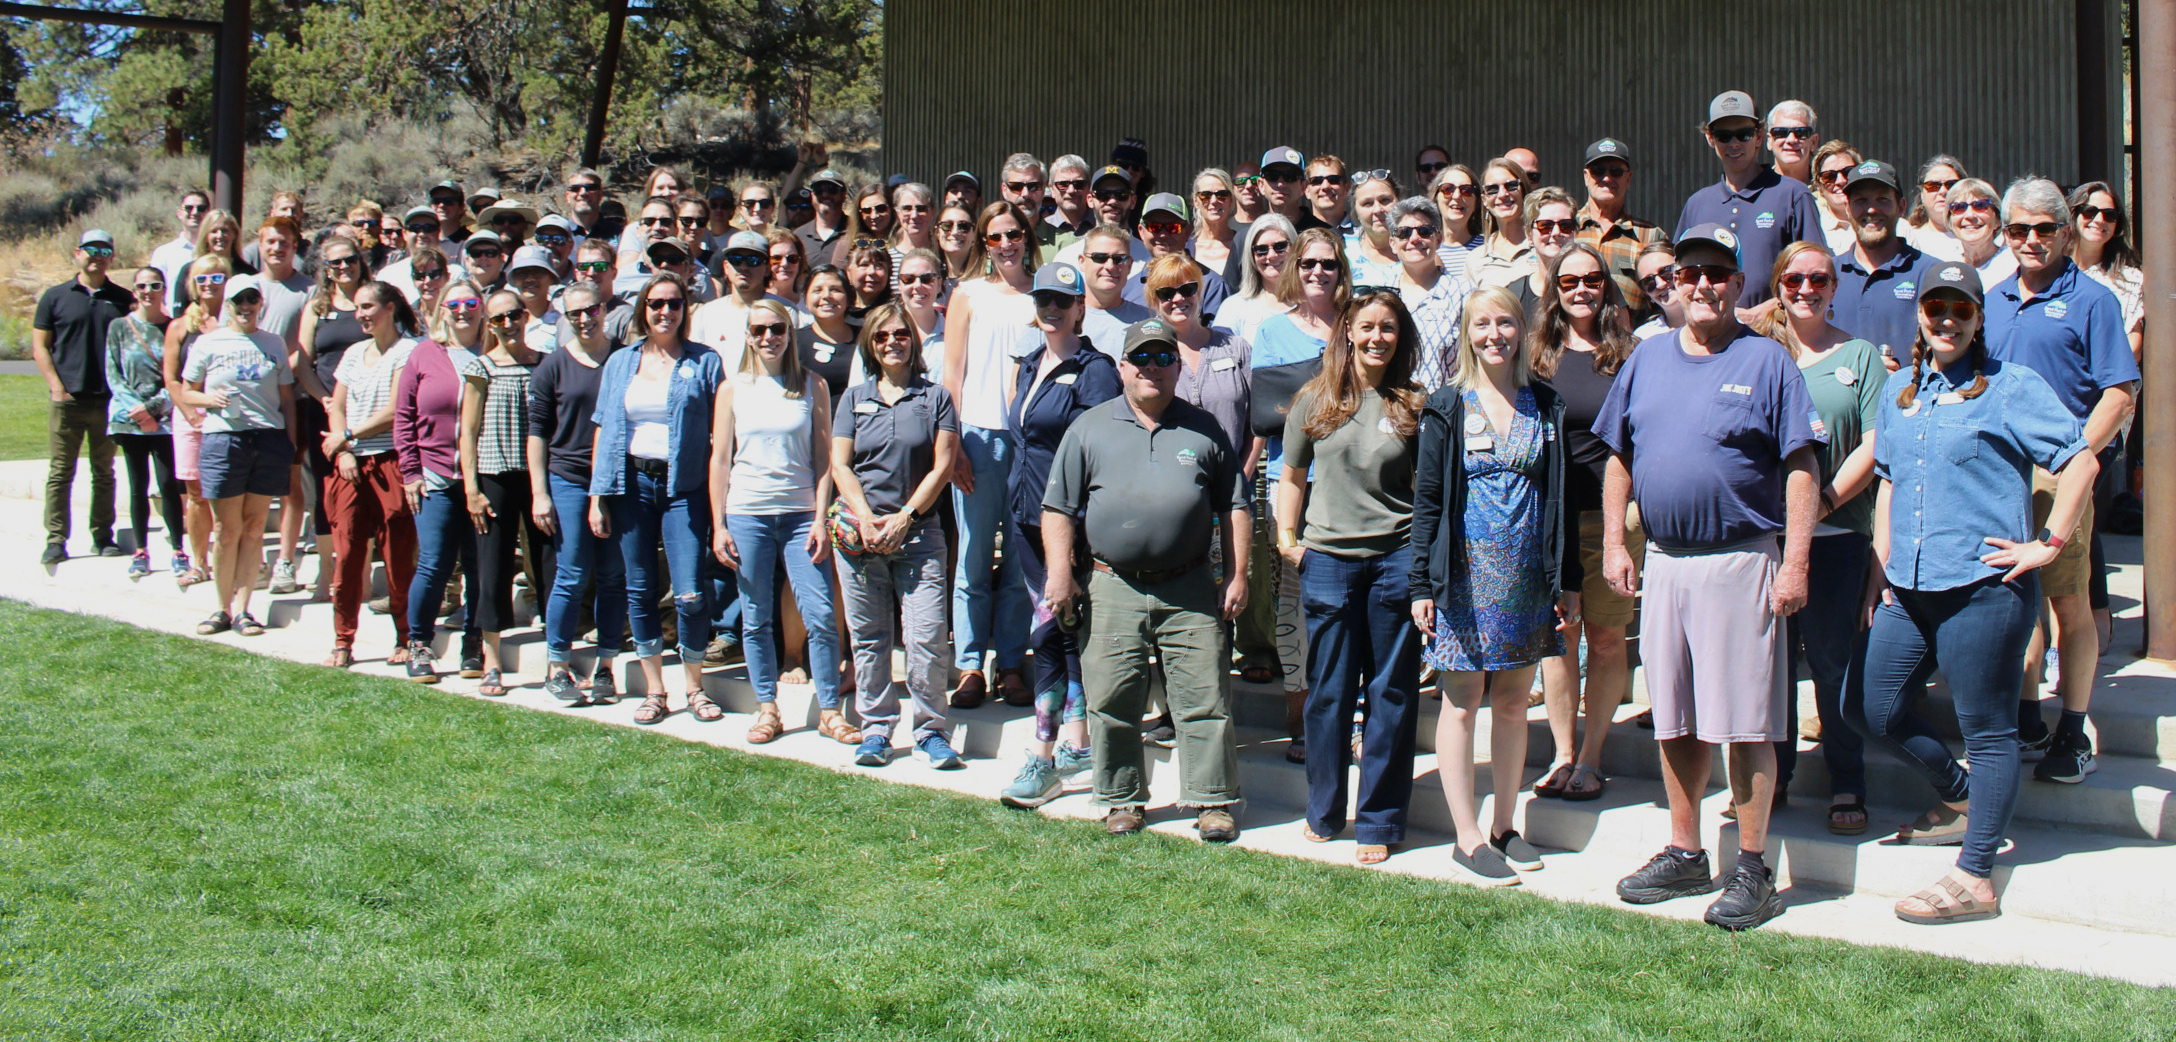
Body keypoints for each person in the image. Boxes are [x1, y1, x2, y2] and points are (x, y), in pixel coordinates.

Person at [1596, 223, 1823, 932]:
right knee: (1676, 717)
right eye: (1690, 272)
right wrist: (1614, 541)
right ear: (1672, 281)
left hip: (1741, 560)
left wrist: (1795, 562)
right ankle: (1686, 849)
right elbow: (1618, 459)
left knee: (1748, 722)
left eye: (1718, 274)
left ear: (1737, 284)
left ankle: (1753, 868)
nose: (1702, 285)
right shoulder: (1647, 358)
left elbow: (1801, 467)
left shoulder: (1768, 361)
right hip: (1665, 560)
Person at [1857, 261, 2095, 925]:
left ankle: (1977, 873)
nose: (1947, 319)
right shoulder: (1900, 391)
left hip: (1984, 588)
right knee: (1871, 709)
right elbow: (1890, 482)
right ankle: (1960, 797)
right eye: (1936, 307)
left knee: (1987, 731)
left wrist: (2046, 543)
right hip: (1909, 586)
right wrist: (1882, 565)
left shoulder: (2011, 388)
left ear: (1978, 318)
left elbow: (2081, 460)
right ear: (1921, 315)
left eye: (1961, 309)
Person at [1043, 319, 1250, 841]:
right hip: (1113, 584)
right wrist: (1061, 574)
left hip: (1190, 586)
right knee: (1113, 698)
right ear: (1122, 368)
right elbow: (1058, 508)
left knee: (1205, 698)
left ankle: (1212, 801)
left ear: (1178, 367)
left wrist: (1239, 574)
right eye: (1142, 359)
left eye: (1163, 358)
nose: (1152, 368)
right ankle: (1121, 799)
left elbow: (1235, 505)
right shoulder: (1089, 427)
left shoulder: (1204, 428)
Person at [1414, 284, 1578, 884]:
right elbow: (1427, 501)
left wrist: (1569, 583)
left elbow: (1563, 499)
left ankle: (1505, 826)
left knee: (1512, 704)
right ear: (1467, 332)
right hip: (1462, 580)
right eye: (1482, 324)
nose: (1494, 335)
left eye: (1505, 323)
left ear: (1522, 330)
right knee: (1461, 704)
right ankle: (1466, 835)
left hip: (1529, 579)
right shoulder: (1447, 406)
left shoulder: (1547, 405)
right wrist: (1421, 585)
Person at [1983, 177, 2138, 783]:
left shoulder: (2093, 301)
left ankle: (2072, 730)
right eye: (2018, 228)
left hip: (2058, 475)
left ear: (2065, 234)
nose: (2030, 240)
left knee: (2068, 602)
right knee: (2016, 599)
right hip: (1996, 475)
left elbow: (2119, 394)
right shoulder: (1990, 298)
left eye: (2044, 229)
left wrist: (2073, 456)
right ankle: (2027, 717)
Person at [1279, 290, 1425, 865]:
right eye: (1366, 327)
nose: (1376, 338)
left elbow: (1428, 491)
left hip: (1395, 561)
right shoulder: (1314, 400)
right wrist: (1290, 543)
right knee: (1329, 692)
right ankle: (1324, 808)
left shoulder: (1415, 404)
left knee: (1390, 692)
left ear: (1400, 336)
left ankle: (1380, 820)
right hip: (1329, 564)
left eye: (1387, 328)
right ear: (1347, 332)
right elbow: (1291, 476)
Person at [1755, 241, 1883, 833]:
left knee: (1833, 664)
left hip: (1836, 536)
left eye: (1819, 280)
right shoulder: (1756, 354)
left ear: (1835, 288)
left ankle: (1847, 779)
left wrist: (1825, 502)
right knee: (1770, 667)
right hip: (1765, 540)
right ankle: (1771, 779)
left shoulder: (1858, 356)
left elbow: (1875, 444)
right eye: (1793, 279)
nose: (1806, 289)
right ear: (1778, 286)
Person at [996, 263, 1122, 806]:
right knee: (1058, 628)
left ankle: (1044, 756)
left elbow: (1098, 452)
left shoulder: (1095, 370)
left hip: (1066, 522)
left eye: (1062, 301)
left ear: (1080, 309)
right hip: (1024, 516)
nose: (1052, 309)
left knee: (1051, 629)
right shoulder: (1028, 365)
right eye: (1044, 299)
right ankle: (1077, 743)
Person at [711, 298, 849, 743]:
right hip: (747, 512)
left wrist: (820, 516)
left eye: (777, 328)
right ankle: (767, 707)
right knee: (755, 616)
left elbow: (824, 458)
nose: (768, 337)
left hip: (800, 515)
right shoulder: (733, 388)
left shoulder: (813, 385)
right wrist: (719, 524)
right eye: (759, 330)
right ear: (747, 336)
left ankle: (829, 709)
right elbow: (719, 460)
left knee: (822, 614)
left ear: (790, 333)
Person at [1529, 243, 1639, 805]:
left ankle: (1593, 756)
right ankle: (1562, 752)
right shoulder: (1537, 356)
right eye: (1568, 280)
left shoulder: (1630, 355)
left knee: (1605, 635)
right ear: (1553, 288)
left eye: (1591, 279)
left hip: (1611, 519)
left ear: (1606, 285)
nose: (1580, 289)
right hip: (1549, 520)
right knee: (1559, 639)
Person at [830, 302, 962, 768]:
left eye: (901, 335)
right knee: (869, 638)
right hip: (861, 539)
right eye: (882, 335)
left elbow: (943, 465)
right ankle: (876, 731)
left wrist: (906, 515)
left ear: (914, 341)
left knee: (926, 638)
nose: (892, 342)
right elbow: (840, 464)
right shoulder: (853, 399)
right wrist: (865, 517)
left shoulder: (935, 398)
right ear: (871, 342)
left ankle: (931, 732)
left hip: (919, 535)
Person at [589, 273, 724, 721]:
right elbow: (604, 428)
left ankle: (695, 687)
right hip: (631, 485)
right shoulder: (620, 363)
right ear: (642, 310)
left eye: (674, 303)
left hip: (684, 486)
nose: (664, 311)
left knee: (688, 592)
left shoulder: (705, 362)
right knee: (640, 587)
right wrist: (597, 496)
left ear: (686, 310)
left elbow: (721, 435)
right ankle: (654, 689)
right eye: (655, 303)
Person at [940, 202, 1039, 708]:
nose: (1006, 244)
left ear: (1027, 236)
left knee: (1022, 560)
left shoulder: (1044, 292)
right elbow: (951, 374)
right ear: (984, 242)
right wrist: (952, 442)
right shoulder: (968, 294)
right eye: (996, 236)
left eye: (1014, 233)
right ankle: (970, 665)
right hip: (977, 436)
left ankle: (1013, 664)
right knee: (975, 556)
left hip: (1026, 440)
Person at [179, 274, 298, 638]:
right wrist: (207, 400)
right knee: (225, 529)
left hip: (267, 438)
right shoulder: (208, 343)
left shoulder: (273, 343)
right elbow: (186, 392)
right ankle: (221, 608)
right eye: (238, 301)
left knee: (253, 527)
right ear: (227, 304)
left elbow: (287, 398)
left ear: (260, 303)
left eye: (252, 300)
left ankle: (245, 610)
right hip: (223, 439)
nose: (246, 307)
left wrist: (290, 444)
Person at [527, 281, 628, 703]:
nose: (585, 320)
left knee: (612, 575)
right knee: (570, 573)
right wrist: (540, 492)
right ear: (565, 319)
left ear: (604, 308)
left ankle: (606, 665)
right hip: (568, 477)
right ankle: (558, 664)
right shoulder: (552, 366)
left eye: (591, 310)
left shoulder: (626, 358)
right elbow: (537, 433)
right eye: (575, 314)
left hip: (617, 480)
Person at [394, 279, 491, 683]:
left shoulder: (491, 352)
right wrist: (410, 472)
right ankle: (419, 643)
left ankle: (473, 641)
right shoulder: (424, 354)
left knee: (478, 564)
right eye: (453, 305)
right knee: (434, 562)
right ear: (441, 311)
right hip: (435, 476)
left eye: (470, 302)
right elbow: (403, 418)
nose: (462, 310)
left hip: (483, 477)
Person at [320, 280, 418, 669]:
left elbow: (396, 410)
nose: (361, 314)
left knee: (397, 556)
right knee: (347, 556)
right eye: (357, 308)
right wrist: (344, 449)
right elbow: (337, 403)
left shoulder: (408, 351)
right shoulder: (353, 352)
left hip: (390, 462)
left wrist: (347, 437)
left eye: (368, 307)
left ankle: (407, 635)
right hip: (349, 465)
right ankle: (343, 641)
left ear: (390, 308)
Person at [455, 289, 545, 697]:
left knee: (548, 561)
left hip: (537, 476)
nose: (507, 325)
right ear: (489, 325)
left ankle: (556, 654)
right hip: (495, 473)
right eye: (498, 319)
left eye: (513, 316)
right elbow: (468, 431)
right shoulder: (481, 367)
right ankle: (492, 659)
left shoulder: (543, 364)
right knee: (493, 568)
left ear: (525, 316)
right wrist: (471, 487)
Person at [32, 228, 133, 564]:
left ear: (112, 257)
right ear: (78, 253)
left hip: (107, 401)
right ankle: (56, 540)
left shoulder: (122, 299)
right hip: (68, 401)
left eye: (104, 249)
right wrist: (56, 388)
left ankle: (103, 536)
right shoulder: (56, 297)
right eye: (91, 249)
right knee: (61, 472)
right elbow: (40, 346)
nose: (97, 255)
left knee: (104, 471)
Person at [1675, 91, 1822, 308]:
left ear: (1759, 137)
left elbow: (1817, 272)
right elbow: (1678, 274)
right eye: (1723, 136)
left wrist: (1765, 311)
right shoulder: (1697, 203)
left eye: (1744, 134)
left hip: (1774, 334)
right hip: (1710, 335)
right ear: (1710, 138)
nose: (1734, 144)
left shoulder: (1793, 194)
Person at [250, 216, 319, 597]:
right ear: (260, 245)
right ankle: (255, 558)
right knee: (253, 483)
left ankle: (286, 562)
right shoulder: (246, 288)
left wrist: (276, 374)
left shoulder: (307, 290)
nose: (277, 248)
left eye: (285, 242)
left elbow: (304, 348)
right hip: (249, 403)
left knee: (291, 482)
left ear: (296, 246)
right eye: (271, 242)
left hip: (292, 397)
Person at [104, 267, 183, 580]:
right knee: (137, 486)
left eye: (155, 285)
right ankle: (140, 550)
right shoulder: (118, 327)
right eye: (141, 286)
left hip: (164, 418)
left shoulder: (173, 328)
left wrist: (153, 409)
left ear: (164, 289)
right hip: (129, 419)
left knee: (167, 484)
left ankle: (178, 548)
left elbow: (177, 374)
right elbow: (113, 373)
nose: (148, 291)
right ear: (134, 291)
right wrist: (137, 410)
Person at [1829, 160, 1939, 364]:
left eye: (1882, 199)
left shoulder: (1930, 274)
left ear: (1901, 207)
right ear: (1847, 207)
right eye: (1861, 200)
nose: (1871, 209)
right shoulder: (1825, 276)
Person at [163, 254, 230, 586]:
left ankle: (230, 559)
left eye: (216, 278)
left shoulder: (235, 322)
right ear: (192, 284)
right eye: (202, 279)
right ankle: (199, 562)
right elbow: (172, 378)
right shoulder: (179, 326)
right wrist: (190, 413)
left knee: (229, 492)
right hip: (191, 418)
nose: (208, 285)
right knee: (196, 493)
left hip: (227, 414)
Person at [1384, 197, 1474, 394]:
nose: (1414, 239)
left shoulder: (1465, 294)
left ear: (1438, 239)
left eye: (1424, 231)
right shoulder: (1382, 293)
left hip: (1444, 412)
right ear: (1393, 243)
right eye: (1404, 233)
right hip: (1390, 409)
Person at [1574, 138, 1665, 296]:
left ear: (1628, 178)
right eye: (1598, 171)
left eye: (1615, 171)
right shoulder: (1565, 229)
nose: (1607, 178)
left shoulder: (1650, 236)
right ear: (1586, 177)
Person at [2068, 180, 2144, 360]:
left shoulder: (2129, 280)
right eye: (2090, 212)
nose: (2099, 220)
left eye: (2109, 215)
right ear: (2074, 214)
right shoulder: (2051, 272)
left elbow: (2134, 343)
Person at [1126, 194, 1233, 317]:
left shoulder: (1212, 285)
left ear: (1187, 232)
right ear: (1141, 231)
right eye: (1154, 227)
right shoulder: (1126, 289)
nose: (1163, 235)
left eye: (1173, 228)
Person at [1214, 216, 1295, 343]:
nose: (1272, 255)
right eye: (1261, 249)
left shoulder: (1316, 304)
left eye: (1280, 246)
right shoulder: (1232, 308)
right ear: (1251, 256)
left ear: (1295, 248)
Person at [1075, 225, 1152, 352]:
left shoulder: (1148, 321)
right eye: (1100, 257)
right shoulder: (1064, 318)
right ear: (1082, 262)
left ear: (1130, 265)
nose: (1110, 266)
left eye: (1119, 259)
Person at [1465, 158, 1533, 289]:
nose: (1502, 194)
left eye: (1511, 186)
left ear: (1524, 191)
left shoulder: (1542, 247)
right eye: (1492, 189)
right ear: (1484, 199)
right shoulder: (1475, 260)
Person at [169, 209, 252, 313]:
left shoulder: (247, 273)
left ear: (234, 234)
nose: (220, 235)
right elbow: (179, 314)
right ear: (206, 236)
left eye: (225, 231)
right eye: (214, 231)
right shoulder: (189, 270)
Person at [798, 266, 859, 403]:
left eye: (835, 290)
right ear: (805, 299)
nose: (826, 296)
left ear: (849, 298)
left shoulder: (866, 338)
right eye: (817, 290)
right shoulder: (794, 342)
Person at [1516, 187, 1580, 315]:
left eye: (1565, 225)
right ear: (1529, 234)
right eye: (1545, 226)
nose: (1556, 233)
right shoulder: (1514, 295)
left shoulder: (1595, 285)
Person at [1948, 179, 2017, 290]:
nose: (1970, 215)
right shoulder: (1943, 262)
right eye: (1959, 207)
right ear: (1950, 221)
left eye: (1980, 205)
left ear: (1997, 220)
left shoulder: (2014, 264)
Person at [1343, 171, 1404, 288]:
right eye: (1367, 203)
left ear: (1399, 201)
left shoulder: (1419, 249)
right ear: (1355, 210)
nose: (1377, 209)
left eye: (1385, 200)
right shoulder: (1343, 254)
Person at [1903, 155, 1969, 262]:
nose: (1943, 191)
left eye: (1951, 184)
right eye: (1933, 185)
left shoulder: (1978, 236)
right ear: (1921, 195)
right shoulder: (1908, 238)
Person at [1188, 168, 1243, 288]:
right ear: (1195, 201)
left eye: (1222, 195)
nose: (1214, 201)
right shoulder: (1184, 249)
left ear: (1231, 200)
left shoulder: (1243, 246)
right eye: (1205, 195)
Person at [1430, 165, 1487, 278]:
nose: (1457, 196)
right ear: (1436, 197)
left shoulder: (1488, 247)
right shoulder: (1423, 248)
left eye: (1466, 190)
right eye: (1448, 189)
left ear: (1476, 201)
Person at [150, 188, 210, 291]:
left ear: (208, 213)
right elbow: (154, 290)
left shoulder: (215, 251)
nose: (195, 212)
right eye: (189, 208)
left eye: (201, 208)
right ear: (179, 214)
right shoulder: (163, 254)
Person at [1811, 140, 1864, 254]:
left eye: (1848, 172)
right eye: (1829, 176)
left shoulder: (1896, 227)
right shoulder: (1812, 227)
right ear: (1819, 186)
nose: (1841, 181)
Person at [794, 167, 850, 265]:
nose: (825, 195)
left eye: (832, 190)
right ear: (812, 195)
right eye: (818, 190)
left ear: (844, 195)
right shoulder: (798, 236)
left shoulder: (856, 230)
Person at [1044, 155, 1096, 250]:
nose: (1071, 190)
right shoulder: (1041, 231)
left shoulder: (1104, 227)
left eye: (1078, 184)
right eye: (1063, 185)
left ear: (1089, 187)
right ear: (1052, 189)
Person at [1258, 146, 1317, 230]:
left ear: (1303, 186)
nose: (1280, 184)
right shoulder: (1248, 236)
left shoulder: (1325, 235)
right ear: (1261, 185)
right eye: (1272, 175)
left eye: (1290, 176)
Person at [1765, 100, 1820, 184]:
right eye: (1781, 132)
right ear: (1769, 141)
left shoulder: (1830, 191)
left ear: (1813, 142)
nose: (1791, 140)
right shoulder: (1753, 190)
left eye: (1801, 132)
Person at [1303, 154, 1354, 234]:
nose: (1325, 186)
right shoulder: (1295, 235)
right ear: (1306, 190)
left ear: (1346, 188)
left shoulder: (1365, 234)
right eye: (1317, 181)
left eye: (1333, 180)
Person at [935, 204, 982, 285]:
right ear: (937, 233)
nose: (955, 232)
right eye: (947, 225)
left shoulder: (986, 279)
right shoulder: (928, 278)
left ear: (974, 234)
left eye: (964, 226)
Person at [766, 228, 811, 309]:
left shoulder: (809, 305)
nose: (785, 264)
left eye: (792, 258)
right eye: (776, 258)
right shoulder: (755, 302)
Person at [564, 168, 607, 238]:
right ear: (567, 197)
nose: (583, 193)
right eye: (575, 188)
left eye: (590, 188)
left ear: (600, 195)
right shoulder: (560, 234)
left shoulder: (619, 234)